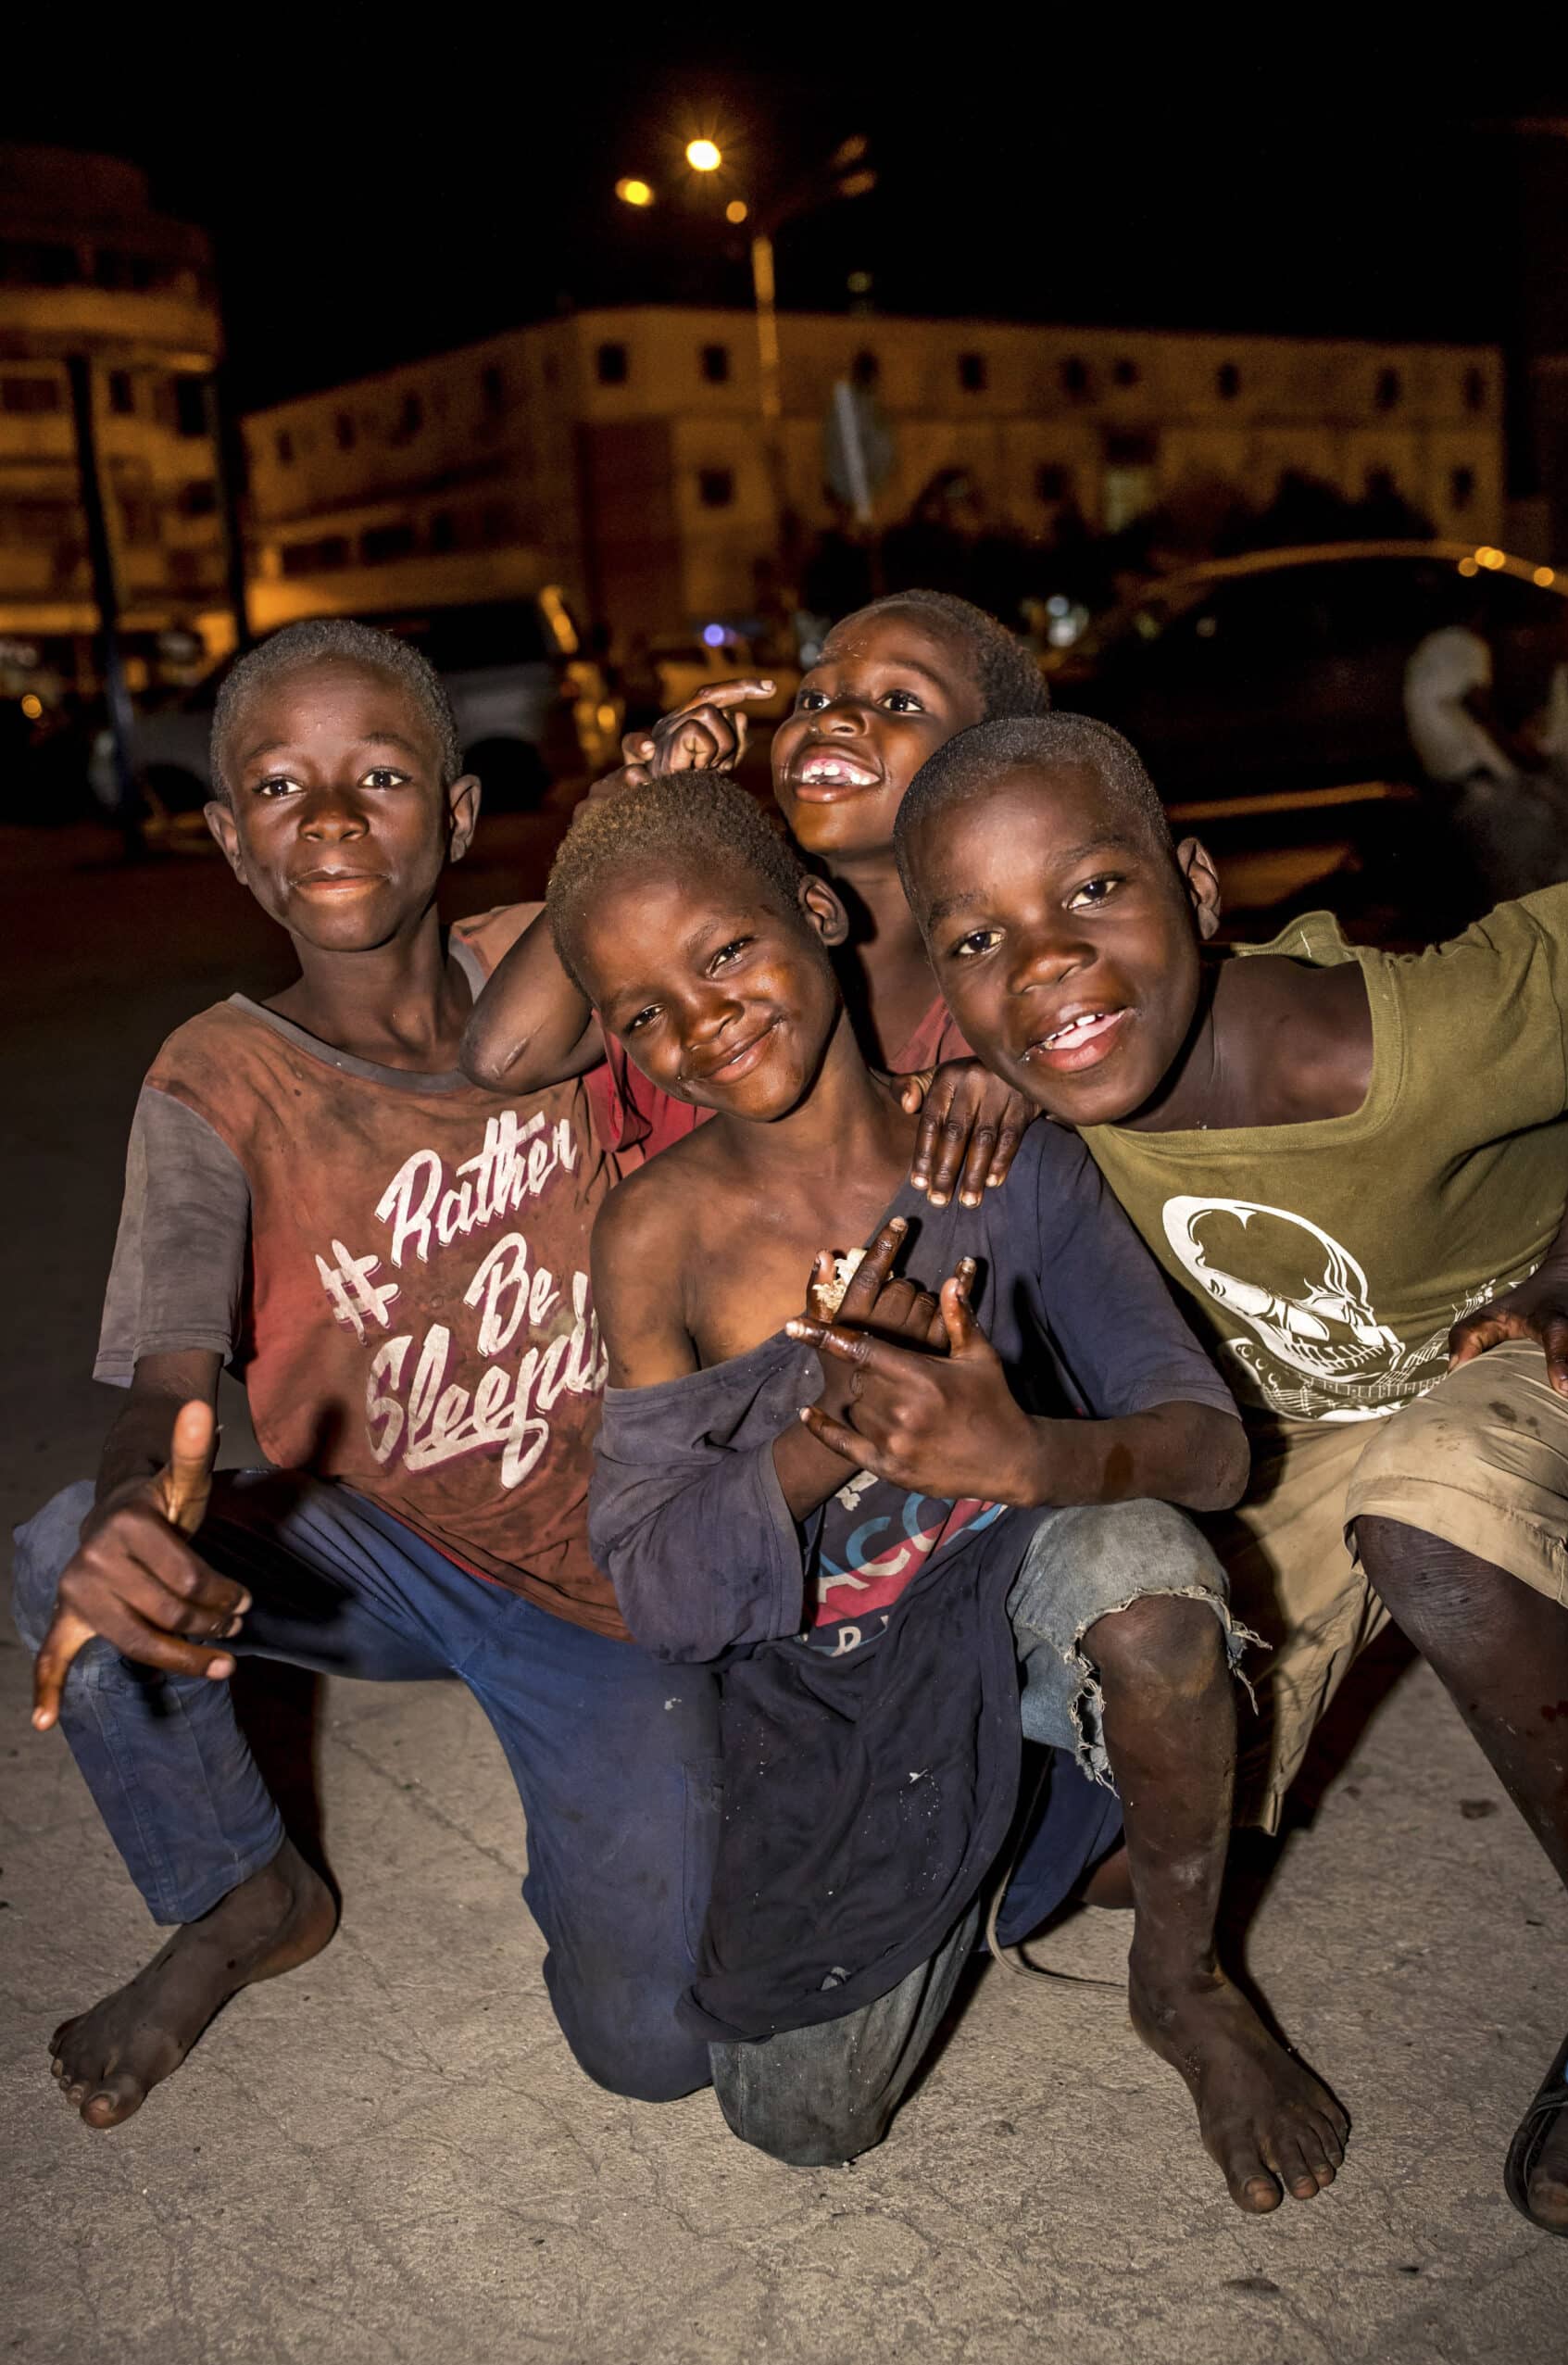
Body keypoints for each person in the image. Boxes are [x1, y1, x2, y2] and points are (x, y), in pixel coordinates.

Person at [542, 768, 1350, 2208]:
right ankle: (1028, 1836)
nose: (700, 1020)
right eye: (642, 1012)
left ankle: (1182, 1976)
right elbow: (663, 1591)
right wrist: (824, 1433)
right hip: (834, 1684)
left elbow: (1208, 1446)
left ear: (813, 910)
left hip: (1018, 1596)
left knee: (1148, 1590)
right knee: (794, 2122)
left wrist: (1020, 1456)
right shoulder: (652, 1233)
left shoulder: (999, 1158)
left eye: (722, 952)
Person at [10, 620, 721, 2130]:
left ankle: (602, 1801)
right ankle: (243, 1898)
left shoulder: (566, 963)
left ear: (455, 817)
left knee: (656, 2049)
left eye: (380, 776)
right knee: (69, 1549)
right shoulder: (216, 1080)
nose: (330, 817)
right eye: (280, 788)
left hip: (613, 1564)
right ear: (232, 844)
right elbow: (168, 1381)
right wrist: (144, 1504)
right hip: (382, 1553)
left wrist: (678, 814)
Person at [891, 709, 1568, 2239]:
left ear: (1196, 890)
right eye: (980, 940)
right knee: (1164, 1669)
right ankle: (1180, 1987)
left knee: (1436, 1522)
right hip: (1323, 1437)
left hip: (1528, 1364)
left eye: (1088, 893)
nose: (1044, 964)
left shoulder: (1383, 1046)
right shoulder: (1044, 1108)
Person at [462, 590, 1050, 1207]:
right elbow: (506, 1057)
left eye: (898, 701)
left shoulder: (1009, 999)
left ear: (996, 764)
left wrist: (1027, 1086)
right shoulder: (695, 943)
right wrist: (622, 824)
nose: (833, 718)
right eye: (814, 698)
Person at [1404, 603, 1568, 906]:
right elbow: (1478, 705)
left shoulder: (1432, 649)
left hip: (1453, 778)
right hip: (1479, 780)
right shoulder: (1463, 647)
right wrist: (1518, 753)